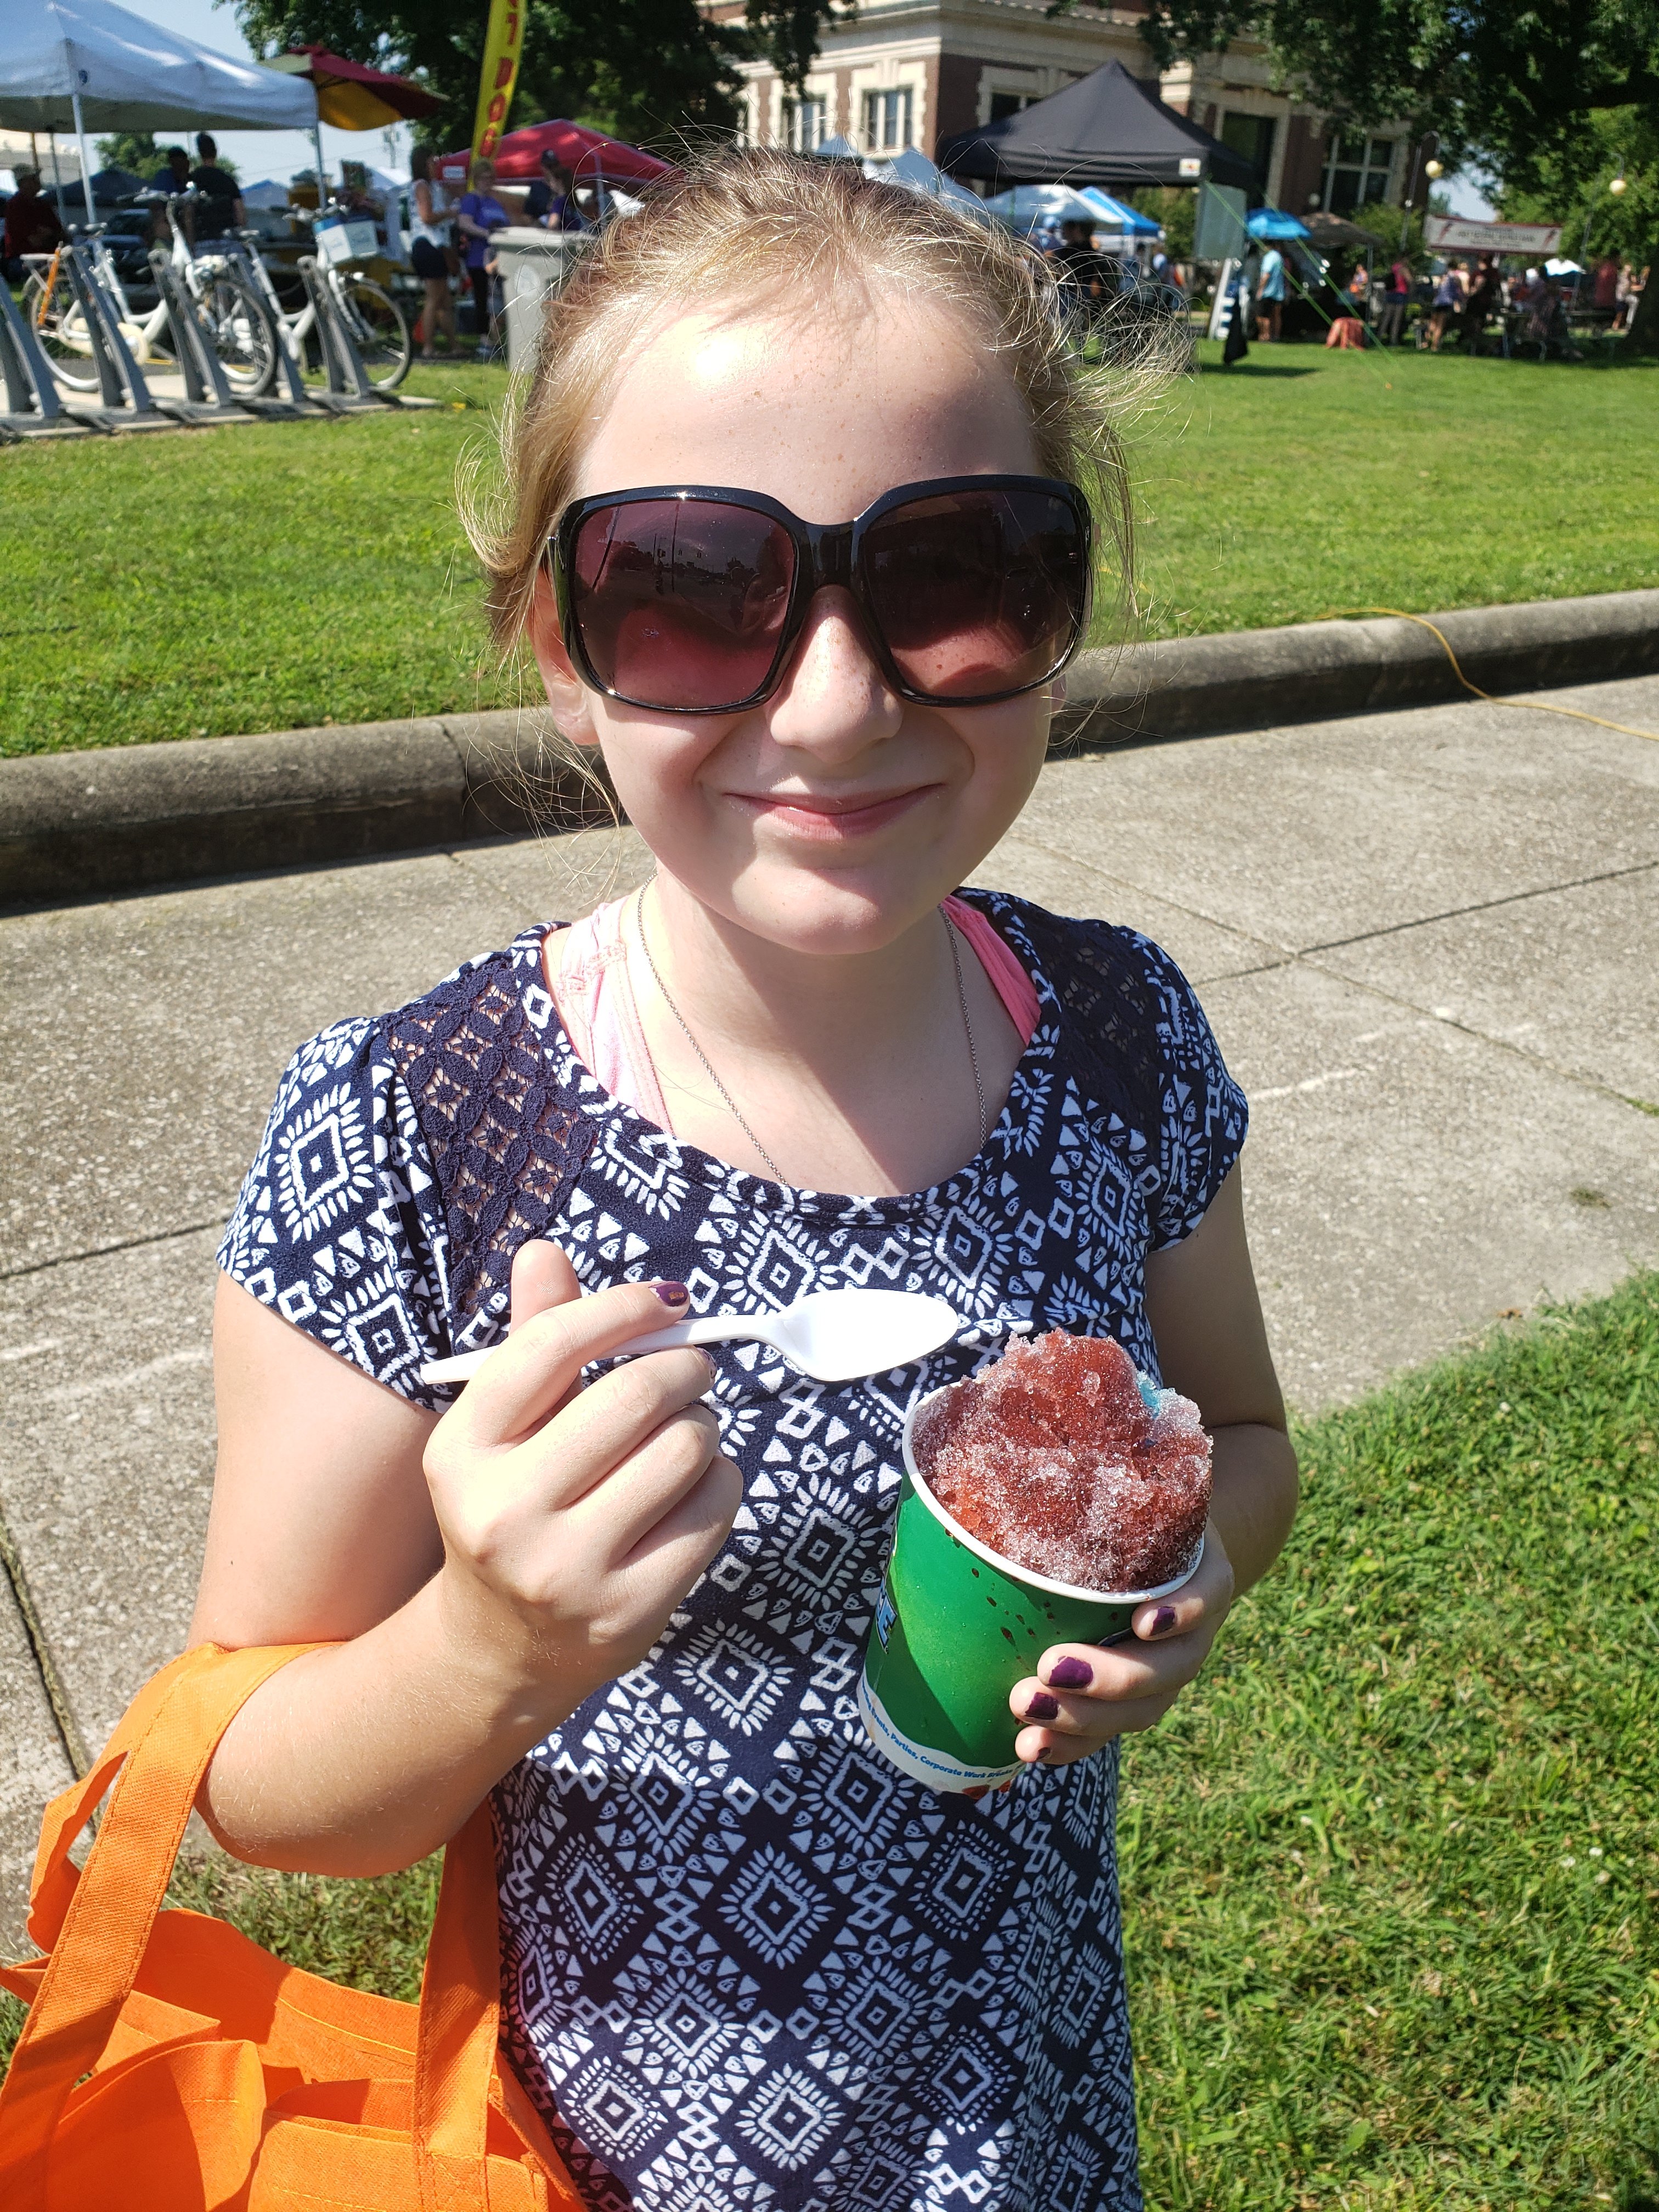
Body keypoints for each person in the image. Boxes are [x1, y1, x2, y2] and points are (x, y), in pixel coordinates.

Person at [193, 150, 1297, 2212]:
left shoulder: (1123, 1039)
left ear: (1062, 606)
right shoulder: (414, 1131)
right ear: (555, 637)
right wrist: (491, 1647)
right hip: (617, 2151)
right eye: (695, 591)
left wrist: (1185, 1571)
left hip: (1033, 2110)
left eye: (953, 571)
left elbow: (1233, 1434)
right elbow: (252, 1781)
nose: (830, 696)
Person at [408, 147, 458, 359]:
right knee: (434, 299)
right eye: (432, 162)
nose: (435, 165)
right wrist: (449, 213)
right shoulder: (421, 187)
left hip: (435, 245)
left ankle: (454, 345)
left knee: (445, 300)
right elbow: (427, 217)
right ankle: (428, 347)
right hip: (427, 244)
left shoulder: (434, 187)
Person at [457, 155, 510, 357]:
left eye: (490, 178)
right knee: (484, 300)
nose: (487, 182)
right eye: (484, 178)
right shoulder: (472, 199)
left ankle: (496, 339)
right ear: (476, 178)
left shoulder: (494, 201)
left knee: (497, 301)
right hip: (479, 258)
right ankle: (484, 340)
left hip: (498, 257)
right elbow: (464, 223)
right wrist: (487, 234)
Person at [2, 168, 63, 279]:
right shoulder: (15, 206)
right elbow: (35, 241)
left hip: (49, 257)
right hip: (22, 261)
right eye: (33, 178)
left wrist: (50, 234)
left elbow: (61, 234)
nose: (38, 181)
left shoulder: (43, 205)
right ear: (23, 183)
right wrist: (50, 235)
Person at [189, 132, 244, 235]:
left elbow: (188, 213)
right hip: (228, 240)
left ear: (199, 153)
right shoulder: (228, 180)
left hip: (202, 240)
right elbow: (241, 218)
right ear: (216, 151)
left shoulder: (193, 180)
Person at [524, 150, 588, 232]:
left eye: (552, 180)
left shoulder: (559, 201)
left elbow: (552, 225)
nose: (550, 183)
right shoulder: (572, 199)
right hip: (577, 236)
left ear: (559, 182)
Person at [1428, 258, 1465, 350]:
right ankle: (1435, 345)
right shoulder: (1455, 278)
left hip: (1437, 302)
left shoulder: (1443, 277)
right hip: (1447, 302)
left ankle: (1427, 341)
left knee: (1433, 323)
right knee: (1440, 325)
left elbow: (1437, 290)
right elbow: (1460, 292)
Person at [1378, 252, 1412, 345]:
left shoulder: (1394, 267)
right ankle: (1393, 339)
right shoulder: (1403, 269)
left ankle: (1379, 337)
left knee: (1387, 317)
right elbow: (1410, 280)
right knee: (1397, 319)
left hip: (1390, 293)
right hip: (1400, 294)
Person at [1256, 240, 1286, 340]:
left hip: (1268, 291)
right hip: (1279, 292)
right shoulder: (1280, 257)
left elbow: (1267, 274)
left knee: (1263, 316)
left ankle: (1265, 335)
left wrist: (1261, 289)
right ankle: (1276, 336)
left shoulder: (1269, 257)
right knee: (1277, 315)